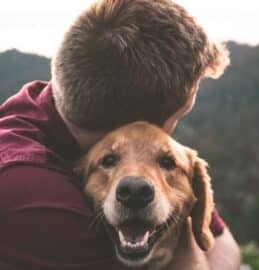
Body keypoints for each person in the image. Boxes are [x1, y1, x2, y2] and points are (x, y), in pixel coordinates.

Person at [0, 0, 240, 269]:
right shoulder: (31, 196)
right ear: (137, 123)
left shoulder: (72, 100)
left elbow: (222, 243)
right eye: (182, 112)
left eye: (163, 160)